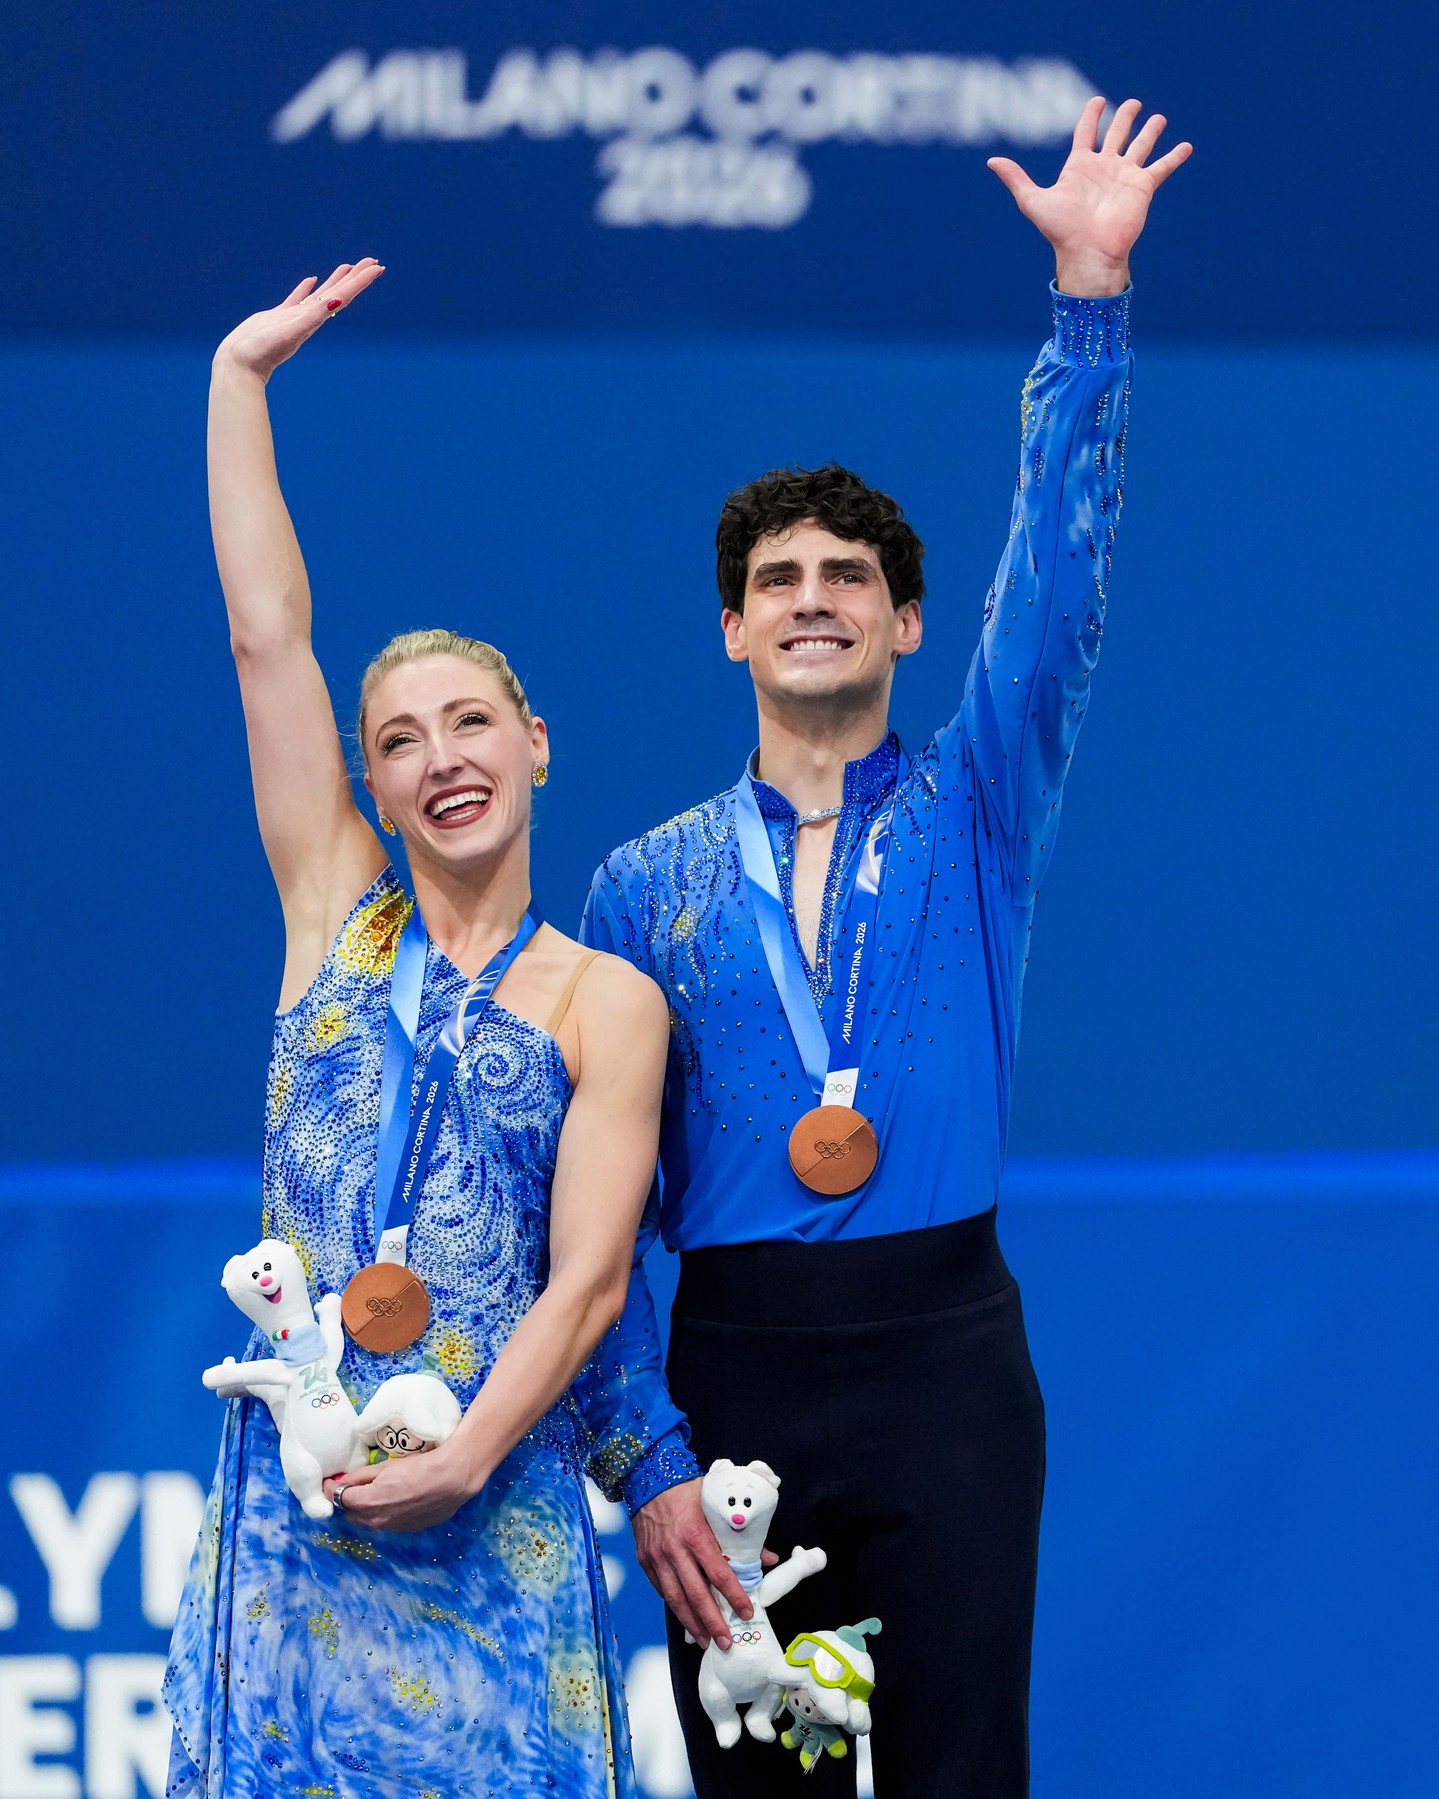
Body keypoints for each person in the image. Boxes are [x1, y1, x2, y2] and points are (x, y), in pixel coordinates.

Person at [580, 98, 1192, 1796]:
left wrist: (1090, 311)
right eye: (776, 576)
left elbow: (1060, 587)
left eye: (851, 573)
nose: (814, 595)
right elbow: (599, 1219)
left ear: (908, 623)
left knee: (961, 1779)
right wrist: (646, 1457)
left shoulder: (980, 807)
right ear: (731, 627)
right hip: (737, 1371)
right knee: (756, 1789)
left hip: (948, 1365)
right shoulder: (644, 890)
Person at [162, 260, 675, 1799]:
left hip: (494, 1515)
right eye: (397, 742)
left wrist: (464, 1458)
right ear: (370, 793)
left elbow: (586, 1285)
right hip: (295, 1521)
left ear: (534, 746)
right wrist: (235, 388)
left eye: (468, 724)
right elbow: (268, 639)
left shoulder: (606, 1000)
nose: (438, 758)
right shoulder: (334, 915)